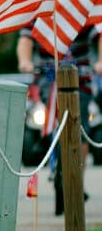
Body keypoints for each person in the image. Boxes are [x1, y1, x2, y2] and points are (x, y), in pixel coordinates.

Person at [17, 24, 102, 213]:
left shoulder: (83, 13)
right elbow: (25, 39)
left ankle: (78, 179)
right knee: (48, 112)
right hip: (49, 78)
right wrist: (25, 61)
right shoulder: (39, 14)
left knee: (81, 126)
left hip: (80, 80)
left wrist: (100, 62)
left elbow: (99, 35)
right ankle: (49, 140)